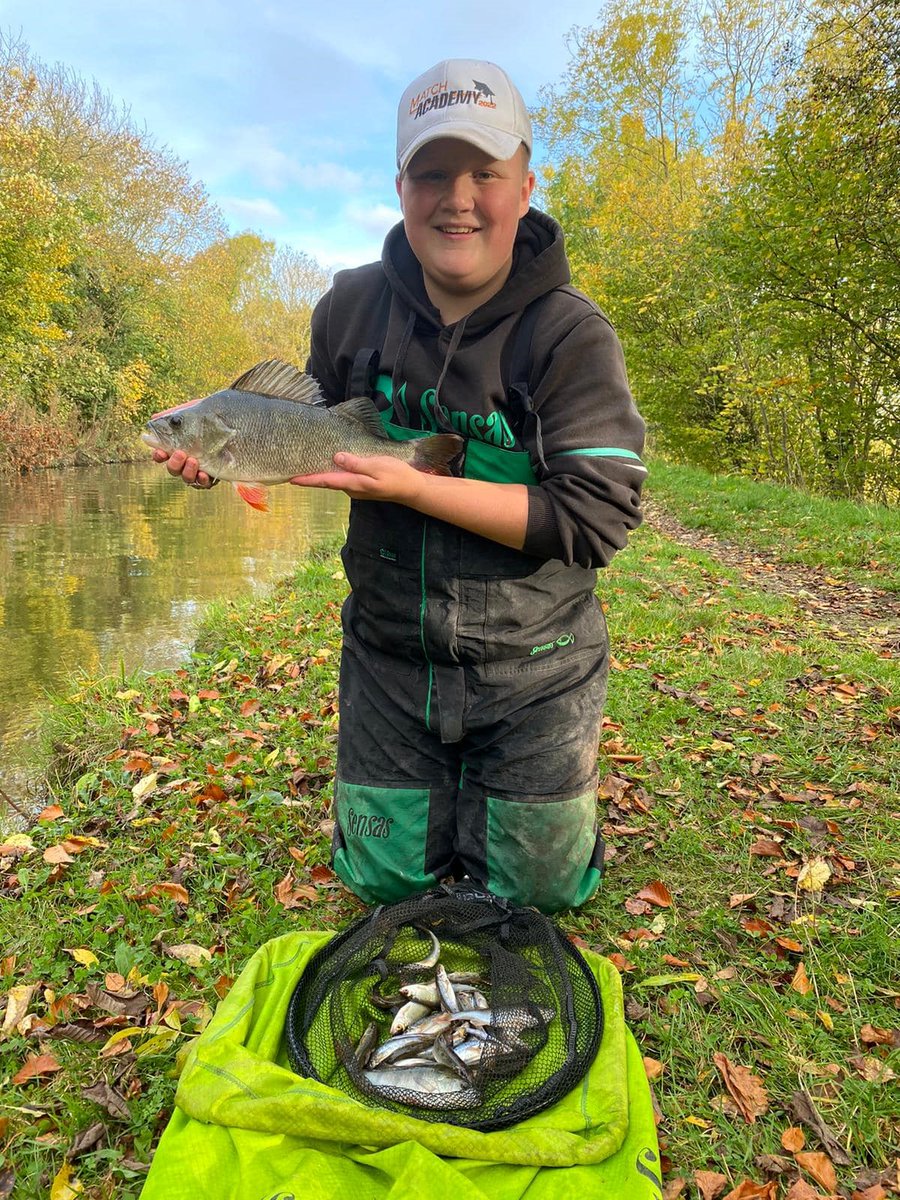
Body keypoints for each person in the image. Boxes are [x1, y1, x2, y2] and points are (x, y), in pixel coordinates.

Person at [152, 58, 646, 914]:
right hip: (390, 654)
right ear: (400, 186)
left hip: (538, 666)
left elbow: (597, 522)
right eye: (432, 173)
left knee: (538, 894)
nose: (458, 197)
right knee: (382, 882)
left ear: (525, 187)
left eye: (484, 173)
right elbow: (303, 433)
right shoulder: (348, 308)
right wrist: (215, 461)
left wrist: (416, 487)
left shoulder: (572, 335)